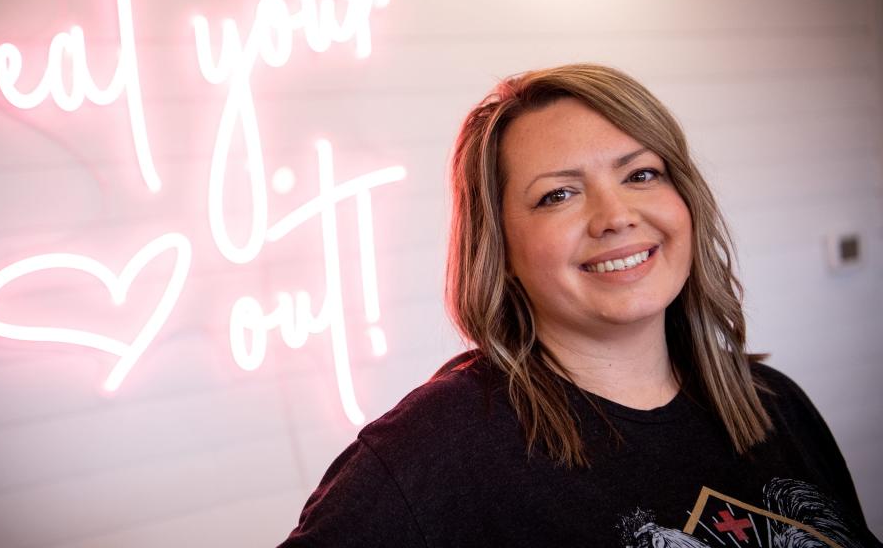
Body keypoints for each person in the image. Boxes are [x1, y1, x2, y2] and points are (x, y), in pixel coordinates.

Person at [279, 64, 880, 547]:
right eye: (558, 194)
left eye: (641, 175)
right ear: (500, 247)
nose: (616, 216)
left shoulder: (772, 402)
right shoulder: (433, 451)